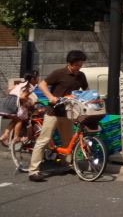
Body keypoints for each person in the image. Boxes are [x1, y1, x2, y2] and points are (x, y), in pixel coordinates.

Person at [28, 50, 88, 182]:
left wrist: (90, 98)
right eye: (77, 65)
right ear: (70, 63)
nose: (79, 67)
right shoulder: (59, 73)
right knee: (43, 140)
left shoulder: (81, 76)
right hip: (53, 112)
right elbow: (42, 84)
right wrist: (51, 97)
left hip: (68, 112)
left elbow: (86, 91)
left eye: (81, 65)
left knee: (67, 140)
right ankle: (33, 171)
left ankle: (67, 164)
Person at [0, 72, 39, 146]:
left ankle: (4, 136)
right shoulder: (30, 86)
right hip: (14, 103)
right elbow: (22, 97)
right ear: (32, 79)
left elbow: (9, 90)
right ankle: (16, 137)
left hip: (7, 101)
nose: (38, 80)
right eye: (37, 78)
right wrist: (30, 102)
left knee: (15, 120)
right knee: (20, 119)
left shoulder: (20, 84)